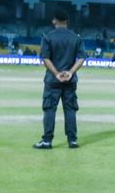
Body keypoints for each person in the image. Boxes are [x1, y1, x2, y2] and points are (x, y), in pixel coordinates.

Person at [33, 9, 85, 150]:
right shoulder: (76, 38)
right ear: (67, 22)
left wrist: (56, 73)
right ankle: (72, 140)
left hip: (52, 80)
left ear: (54, 20)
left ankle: (47, 141)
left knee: (50, 109)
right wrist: (70, 72)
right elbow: (81, 58)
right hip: (70, 81)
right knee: (70, 110)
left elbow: (45, 58)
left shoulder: (48, 37)